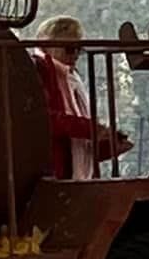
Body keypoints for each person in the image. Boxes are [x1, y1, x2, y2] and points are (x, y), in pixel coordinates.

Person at [30, 16, 131, 180]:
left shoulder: (72, 78)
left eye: (79, 49)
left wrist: (109, 143)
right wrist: (91, 129)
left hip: (76, 171)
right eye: (70, 48)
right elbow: (46, 119)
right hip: (53, 170)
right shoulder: (39, 71)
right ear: (48, 45)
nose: (76, 54)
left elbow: (81, 145)